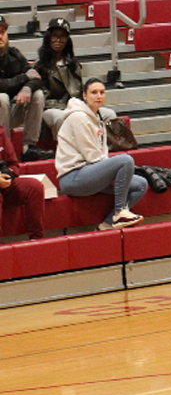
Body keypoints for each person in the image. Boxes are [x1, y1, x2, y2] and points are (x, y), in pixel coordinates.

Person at [55, 78, 148, 230]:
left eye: (102, 92)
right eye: (94, 92)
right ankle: (119, 212)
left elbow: (100, 155)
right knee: (126, 161)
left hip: (90, 172)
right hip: (73, 176)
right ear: (84, 96)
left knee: (140, 184)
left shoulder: (97, 118)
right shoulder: (79, 117)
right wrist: (113, 173)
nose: (98, 96)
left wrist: (112, 173)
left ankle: (107, 224)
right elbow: (92, 156)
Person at [34, 17, 116, 138]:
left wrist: (83, 105)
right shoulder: (39, 65)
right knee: (61, 118)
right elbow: (42, 99)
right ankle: (64, 147)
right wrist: (70, 107)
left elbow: (80, 91)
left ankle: (102, 146)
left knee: (109, 115)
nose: (58, 40)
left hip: (76, 106)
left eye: (62, 36)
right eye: (54, 36)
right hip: (52, 109)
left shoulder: (74, 65)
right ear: (48, 38)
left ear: (67, 40)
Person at [0, 16, 53, 163]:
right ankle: (4, 150)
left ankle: (28, 148)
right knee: (2, 98)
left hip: (9, 112)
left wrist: (27, 87)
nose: (0, 36)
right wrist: (24, 78)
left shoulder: (14, 54)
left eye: (3, 31)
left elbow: (36, 78)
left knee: (38, 95)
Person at [0, 125, 45, 240]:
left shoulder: (1, 133)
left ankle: (37, 240)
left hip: (5, 184)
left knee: (34, 187)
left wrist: (9, 174)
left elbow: (13, 163)